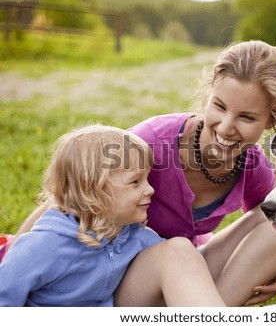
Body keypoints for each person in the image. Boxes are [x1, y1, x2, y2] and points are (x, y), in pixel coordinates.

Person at [9, 40, 276, 306]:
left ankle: (204, 309)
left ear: (271, 119)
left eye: (246, 117)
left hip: (181, 266)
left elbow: (260, 219)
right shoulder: (150, 143)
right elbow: (74, 193)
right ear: (208, 97)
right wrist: (13, 254)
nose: (226, 127)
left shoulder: (253, 164)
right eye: (219, 106)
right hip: (117, 274)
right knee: (179, 250)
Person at [0, 125, 225, 307]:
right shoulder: (44, 245)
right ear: (93, 191)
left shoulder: (135, 236)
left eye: (146, 179)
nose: (150, 190)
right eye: (135, 182)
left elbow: (185, 271)